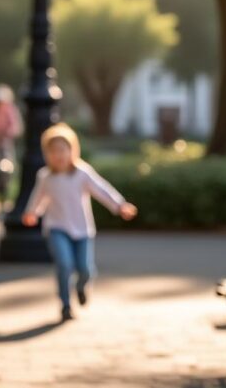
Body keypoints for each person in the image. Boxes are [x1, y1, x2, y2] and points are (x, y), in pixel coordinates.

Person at [21, 123, 137, 321]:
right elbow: (38, 198)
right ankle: (65, 305)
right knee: (64, 265)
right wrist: (32, 212)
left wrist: (119, 205)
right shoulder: (46, 177)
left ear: (72, 150)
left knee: (85, 269)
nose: (58, 155)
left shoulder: (81, 173)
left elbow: (101, 190)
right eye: (53, 151)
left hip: (82, 229)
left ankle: (82, 286)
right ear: (46, 154)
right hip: (56, 228)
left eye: (62, 150)